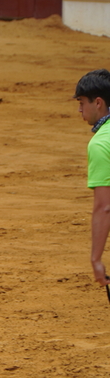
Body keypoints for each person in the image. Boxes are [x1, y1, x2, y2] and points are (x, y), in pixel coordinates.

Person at [75, 70, 110, 288]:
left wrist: (96, 259)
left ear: (98, 102)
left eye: (81, 103)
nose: (79, 110)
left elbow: (104, 207)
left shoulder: (101, 144)